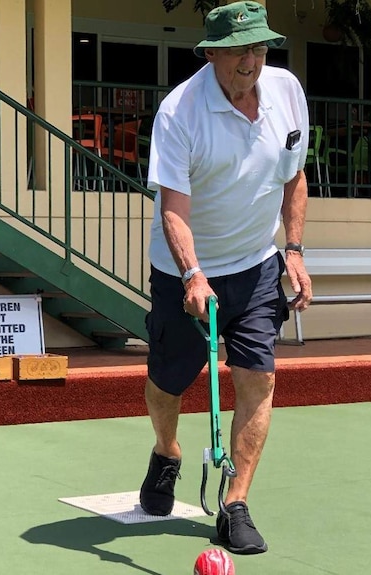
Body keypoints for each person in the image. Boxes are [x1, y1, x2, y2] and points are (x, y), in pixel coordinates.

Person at [138, 0, 312, 556]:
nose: (251, 60)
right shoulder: (179, 112)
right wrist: (192, 274)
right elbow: (173, 207)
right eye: (239, 48)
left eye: (260, 47)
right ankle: (167, 452)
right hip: (183, 273)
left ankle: (234, 503)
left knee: (257, 380)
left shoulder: (287, 92)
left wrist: (295, 250)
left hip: (257, 267)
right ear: (211, 53)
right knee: (168, 383)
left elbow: (295, 175)